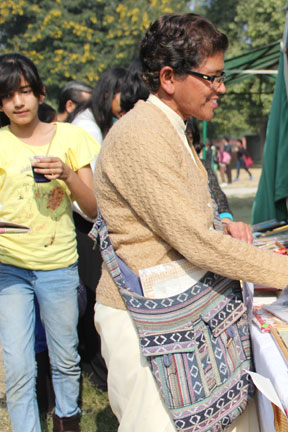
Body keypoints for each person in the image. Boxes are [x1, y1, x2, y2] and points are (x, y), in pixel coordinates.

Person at [93, 13, 288, 431]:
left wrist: (221, 222)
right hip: (147, 319)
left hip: (176, 313)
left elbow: (184, 217)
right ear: (169, 77)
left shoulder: (169, 126)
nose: (222, 88)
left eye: (221, 76)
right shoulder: (141, 135)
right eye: (211, 77)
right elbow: (194, 240)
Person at [0, 53, 100, 432]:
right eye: (8, 95)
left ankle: (67, 421)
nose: (18, 102)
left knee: (65, 359)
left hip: (58, 266)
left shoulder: (71, 137)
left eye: (25, 91)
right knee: (19, 366)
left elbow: (92, 208)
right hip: (9, 268)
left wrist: (68, 175)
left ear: (40, 93)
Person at [186, 118, 234, 220]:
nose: (185, 143)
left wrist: (225, 221)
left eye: (189, 138)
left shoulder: (203, 166)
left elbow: (220, 200)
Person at [69, 66, 127, 145]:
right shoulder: (89, 130)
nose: (128, 106)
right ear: (107, 94)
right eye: (124, 99)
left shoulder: (93, 118)